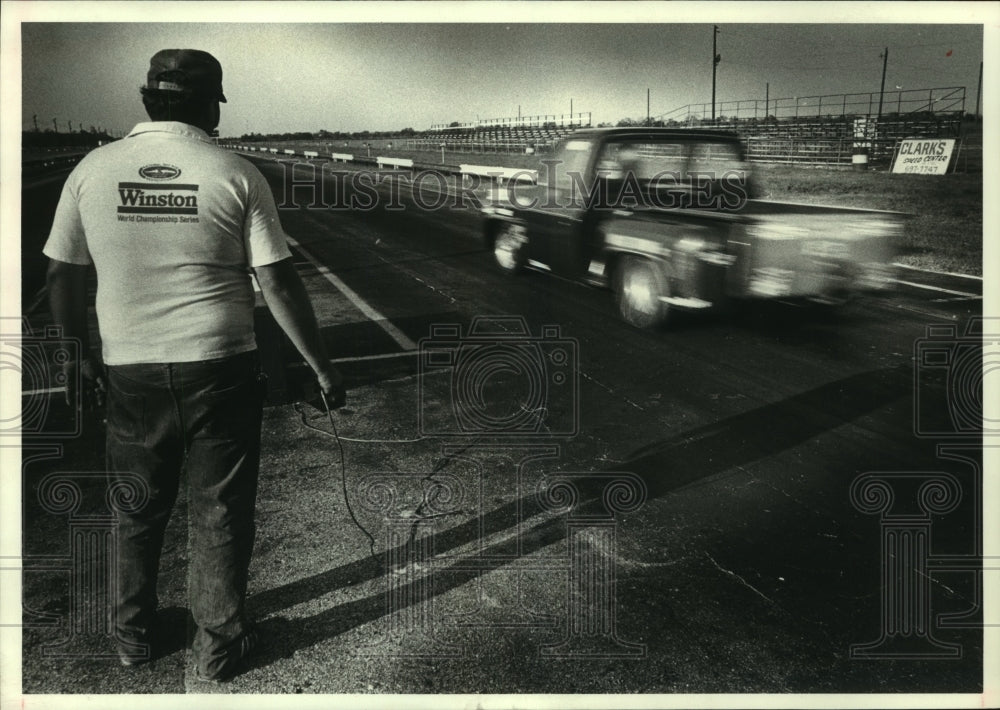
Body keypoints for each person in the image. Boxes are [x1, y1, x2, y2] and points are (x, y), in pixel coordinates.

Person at [43, 49, 343, 682]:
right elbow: (278, 282)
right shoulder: (234, 173)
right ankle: (216, 648)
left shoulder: (91, 171)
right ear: (210, 105)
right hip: (220, 368)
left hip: (131, 369)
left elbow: (62, 275)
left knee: (137, 507)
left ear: (149, 98)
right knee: (220, 511)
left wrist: (80, 357)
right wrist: (319, 365)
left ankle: (132, 637)